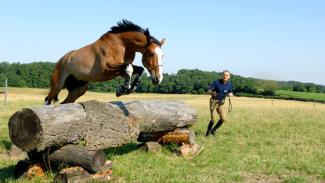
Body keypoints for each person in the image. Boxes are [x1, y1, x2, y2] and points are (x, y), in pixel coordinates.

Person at [206, 70, 233, 136]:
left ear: (229, 77)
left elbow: (231, 92)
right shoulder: (216, 82)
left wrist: (230, 94)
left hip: (221, 103)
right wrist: (212, 93)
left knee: (223, 118)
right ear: (222, 75)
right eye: (224, 75)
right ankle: (207, 133)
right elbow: (208, 90)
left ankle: (213, 130)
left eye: (226, 75)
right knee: (213, 119)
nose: (225, 76)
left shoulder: (229, 84)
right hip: (214, 101)